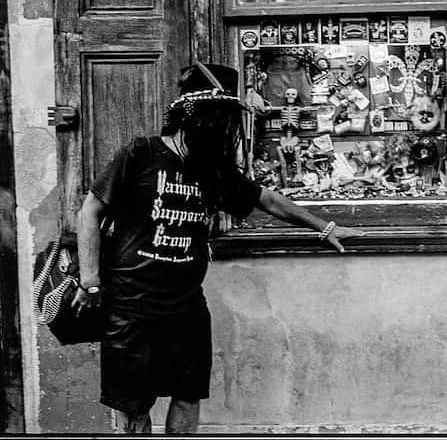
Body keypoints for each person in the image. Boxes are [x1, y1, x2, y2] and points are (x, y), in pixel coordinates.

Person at [71, 62, 363, 434]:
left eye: (228, 117)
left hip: (185, 305)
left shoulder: (213, 169)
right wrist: (90, 280)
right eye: (217, 115)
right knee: (134, 402)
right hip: (131, 305)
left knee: (187, 393)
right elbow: (91, 211)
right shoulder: (140, 154)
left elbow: (267, 200)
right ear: (189, 114)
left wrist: (325, 227)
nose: (224, 126)